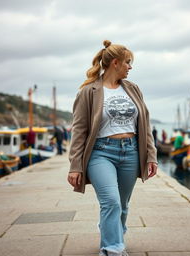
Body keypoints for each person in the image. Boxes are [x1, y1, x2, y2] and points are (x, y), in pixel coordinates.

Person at [67, 40, 158, 256]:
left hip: (131, 151)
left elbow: (145, 123)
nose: (130, 67)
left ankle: (112, 231)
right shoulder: (89, 91)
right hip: (101, 153)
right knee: (112, 202)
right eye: (128, 62)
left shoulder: (133, 89)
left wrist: (151, 156)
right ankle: (112, 249)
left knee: (123, 205)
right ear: (115, 63)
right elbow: (79, 131)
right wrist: (75, 166)